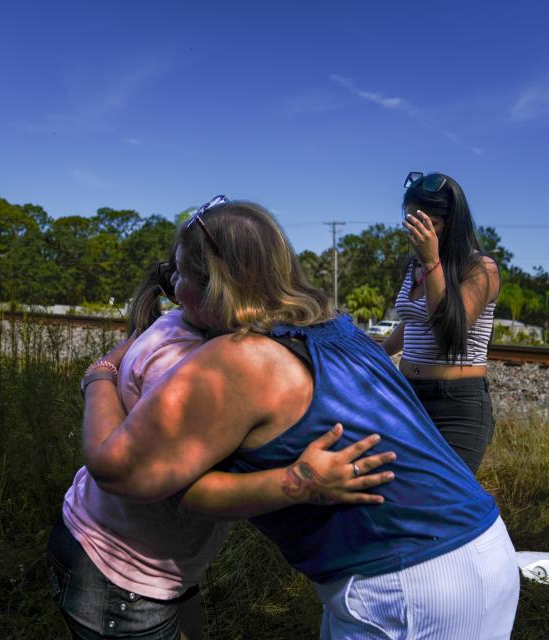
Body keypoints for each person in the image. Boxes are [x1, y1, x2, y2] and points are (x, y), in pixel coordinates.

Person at [81, 196, 519, 639]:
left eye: (182, 274)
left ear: (216, 283)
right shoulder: (338, 329)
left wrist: (100, 376)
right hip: (480, 546)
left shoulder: (241, 359)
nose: (173, 287)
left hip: (407, 587)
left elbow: (117, 469)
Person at [48, 247, 393, 640]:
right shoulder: (189, 367)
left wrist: (102, 370)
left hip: (130, 557)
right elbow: (176, 492)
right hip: (122, 574)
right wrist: (301, 481)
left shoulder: (185, 324)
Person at [381, 172, 501, 475]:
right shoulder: (416, 267)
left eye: (427, 224)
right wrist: (375, 353)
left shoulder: (479, 268)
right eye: (411, 222)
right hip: (408, 395)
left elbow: (450, 330)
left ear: (451, 224)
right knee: (401, 494)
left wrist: (432, 262)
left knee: (444, 503)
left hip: (456, 404)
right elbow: (413, 322)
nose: (417, 232)